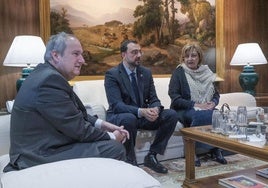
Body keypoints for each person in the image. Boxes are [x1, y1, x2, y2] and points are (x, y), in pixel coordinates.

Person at [4, 32, 129, 172]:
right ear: (56, 55)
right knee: (114, 148)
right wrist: (112, 136)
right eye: (76, 54)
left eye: (82, 54)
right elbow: (78, 129)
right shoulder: (49, 81)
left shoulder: (45, 74)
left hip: (45, 146)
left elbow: (71, 113)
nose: (82, 60)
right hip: (36, 155)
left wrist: (103, 124)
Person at [104, 40, 177, 174]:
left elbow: (154, 98)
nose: (139, 55)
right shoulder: (112, 74)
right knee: (128, 118)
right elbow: (116, 105)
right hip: (121, 117)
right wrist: (140, 111)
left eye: (139, 52)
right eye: (134, 52)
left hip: (142, 116)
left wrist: (155, 109)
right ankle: (130, 161)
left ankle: (152, 155)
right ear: (123, 55)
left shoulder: (146, 73)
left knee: (171, 114)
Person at [168, 43, 227, 167]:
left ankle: (216, 148)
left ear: (199, 57)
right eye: (187, 56)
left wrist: (213, 103)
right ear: (183, 58)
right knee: (200, 115)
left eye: (193, 55)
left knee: (219, 114)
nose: (190, 59)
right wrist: (196, 104)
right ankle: (192, 151)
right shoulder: (179, 72)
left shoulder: (207, 72)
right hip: (183, 109)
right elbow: (175, 98)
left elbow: (216, 95)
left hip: (205, 106)